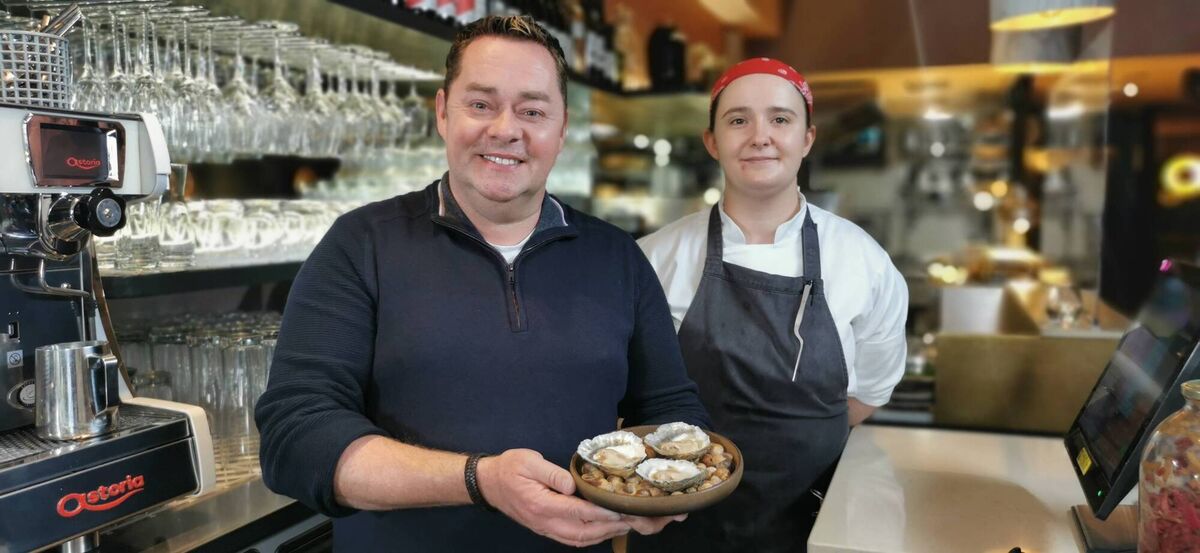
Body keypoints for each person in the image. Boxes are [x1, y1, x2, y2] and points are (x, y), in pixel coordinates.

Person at [255, 16, 710, 552]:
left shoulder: (617, 257)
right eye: (480, 104)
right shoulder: (360, 244)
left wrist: (667, 492)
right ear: (443, 113)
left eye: (532, 111)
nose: (505, 129)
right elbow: (295, 439)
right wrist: (481, 480)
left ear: (562, 129)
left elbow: (671, 410)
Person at [632, 58, 909, 552]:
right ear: (712, 141)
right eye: (738, 120)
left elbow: (868, 394)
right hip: (680, 523)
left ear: (807, 138)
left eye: (780, 119)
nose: (760, 136)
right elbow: (631, 395)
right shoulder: (653, 258)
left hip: (812, 525)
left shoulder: (863, 260)